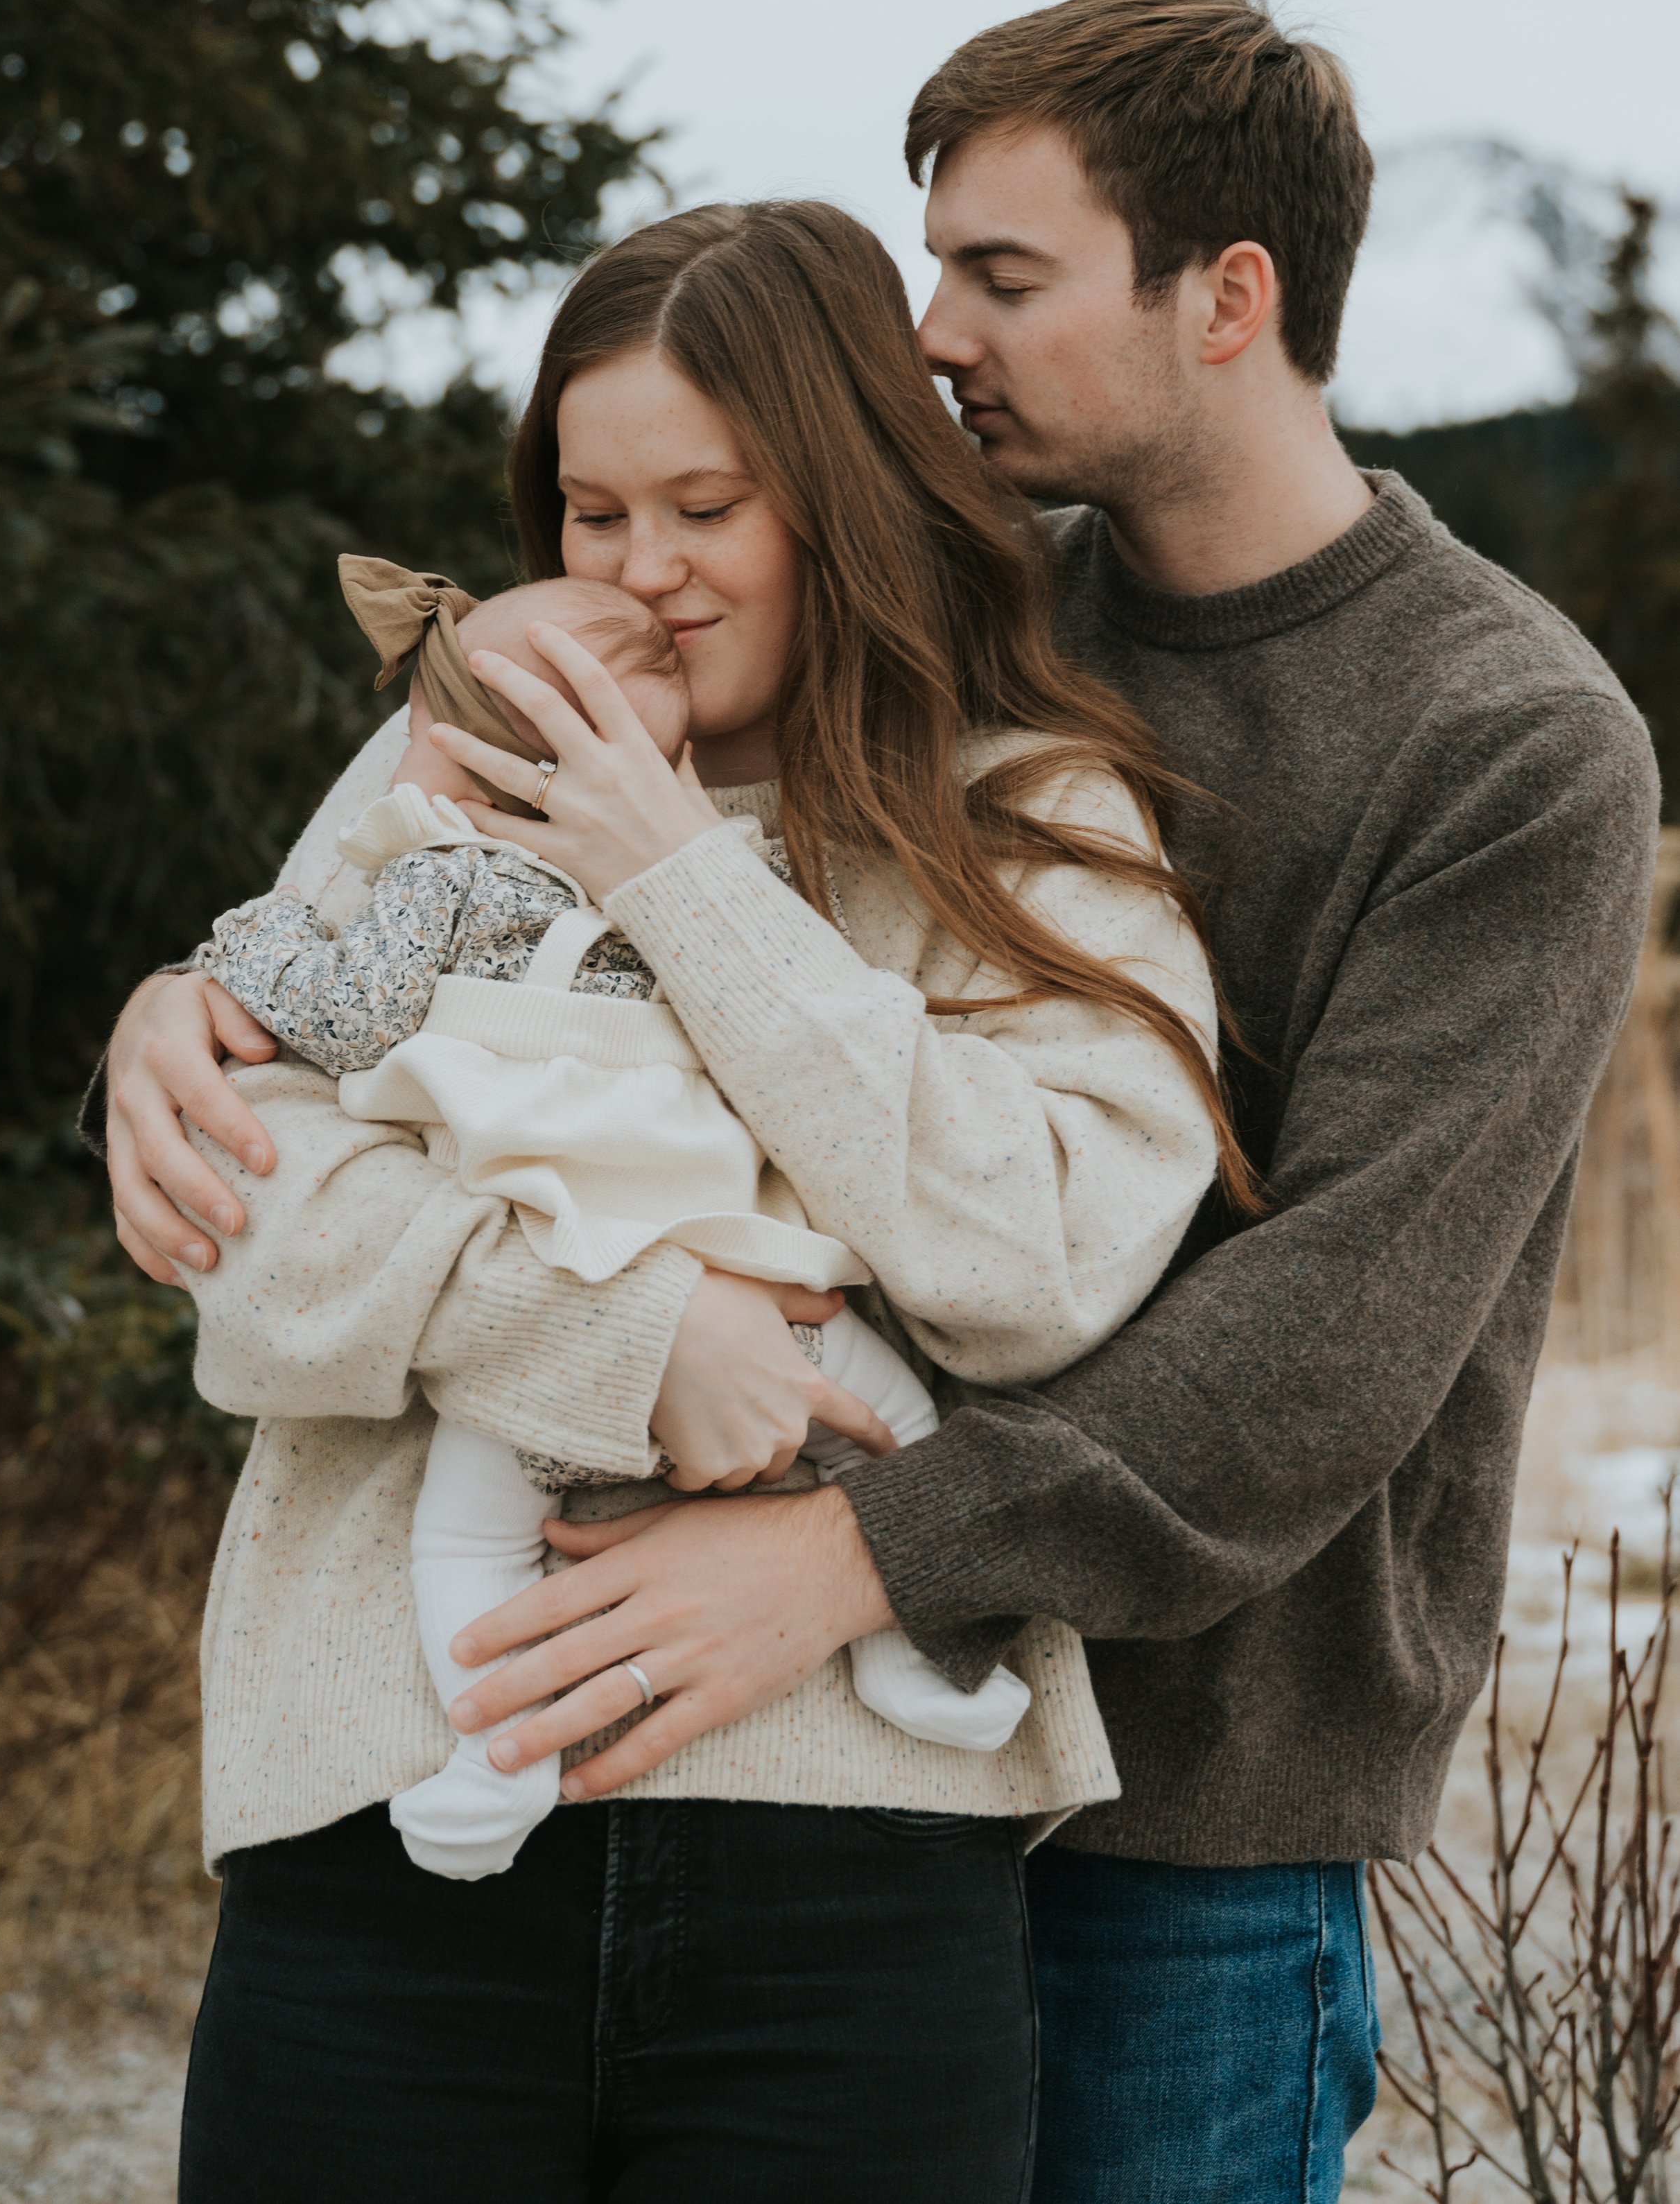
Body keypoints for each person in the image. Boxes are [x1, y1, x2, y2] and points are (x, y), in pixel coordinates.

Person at [102, 197, 1239, 2200]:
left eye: (704, 509)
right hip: (390, 1819)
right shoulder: (444, 769)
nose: (640, 578)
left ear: (845, 499)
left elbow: (1038, 1262)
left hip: (849, 1877)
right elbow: (252, 1242)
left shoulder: (1036, 811)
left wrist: (674, 873)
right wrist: (622, 1341)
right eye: (589, 510)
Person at [197, 558, 1036, 1883]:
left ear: (463, 762)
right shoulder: (719, 877)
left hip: (555, 1270)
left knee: (471, 1537)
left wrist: (231, 955)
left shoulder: (442, 877)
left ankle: (498, 1753)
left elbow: (339, 1020)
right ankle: (917, 1661)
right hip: (760, 1285)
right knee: (893, 1438)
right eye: (596, 513)